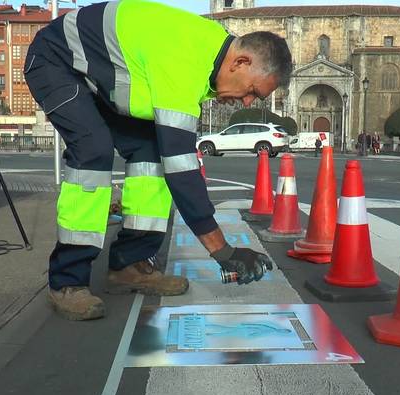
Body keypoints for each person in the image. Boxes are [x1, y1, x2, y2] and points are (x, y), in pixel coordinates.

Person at [25, 0, 291, 320]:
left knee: (150, 154)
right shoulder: (185, 60)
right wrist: (222, 250)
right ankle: (67, 281)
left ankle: (129, 265)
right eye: (252, 91)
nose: (246, 102)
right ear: (241, 62)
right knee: (92, 152)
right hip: (57, 61)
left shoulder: (211, 55)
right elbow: (182, 168)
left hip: (101, 77)